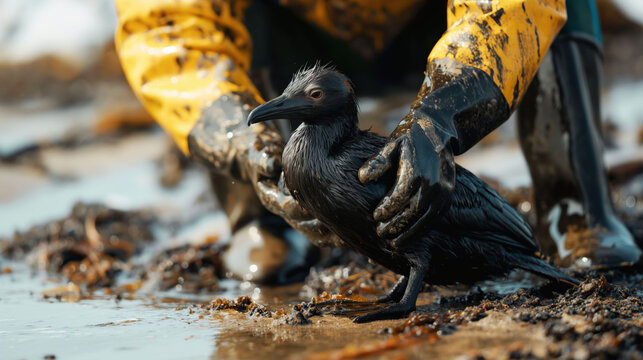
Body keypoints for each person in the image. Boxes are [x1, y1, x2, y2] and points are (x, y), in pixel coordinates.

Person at [114, 0, 640, 270]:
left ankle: (574, 204)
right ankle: (260, 218)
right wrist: (242, 143)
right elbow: (168, 26)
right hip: (298, 32)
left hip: (435, 22)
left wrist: (444, 113)